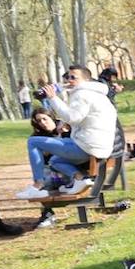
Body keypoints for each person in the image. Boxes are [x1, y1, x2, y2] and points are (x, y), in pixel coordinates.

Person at [19, 65, 118, 199]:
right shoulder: (98, 94)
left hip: (87, 147)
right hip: (98, 147)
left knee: (33, 142)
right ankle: (79, 179)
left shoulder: (82, 94)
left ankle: (37, 185)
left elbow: (73, 117)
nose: (69, 80)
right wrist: (67, 123)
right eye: (68, 77)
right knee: (54, 160)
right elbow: (84, 117)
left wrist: (53, 98)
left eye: (73, 77)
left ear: (86, 80)